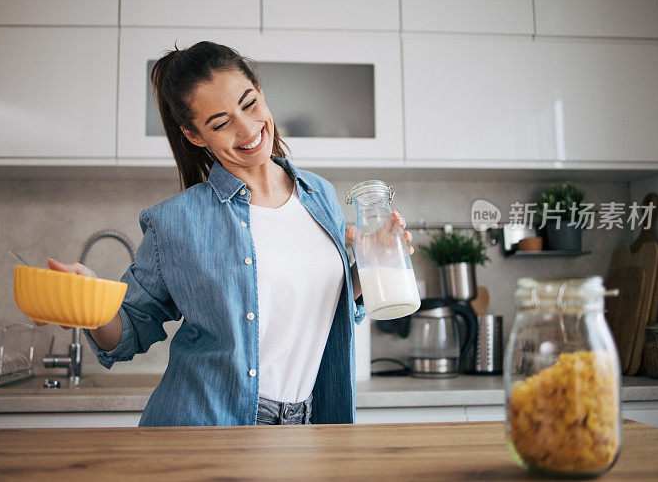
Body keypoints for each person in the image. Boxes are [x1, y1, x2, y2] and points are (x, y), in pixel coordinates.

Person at [40, 41, 413, 426]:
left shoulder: (321, 195)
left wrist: (370, 265)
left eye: (249, 103)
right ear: (195, 135)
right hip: (206, 427)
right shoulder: (176, 222)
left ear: (261, 92)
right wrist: (88, 304)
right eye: (220, 123)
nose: (247, 129)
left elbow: (321, 309)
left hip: (306, 424)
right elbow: (127, 331)